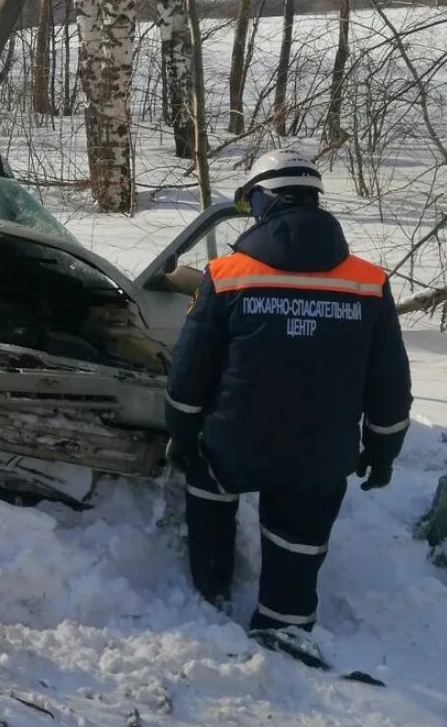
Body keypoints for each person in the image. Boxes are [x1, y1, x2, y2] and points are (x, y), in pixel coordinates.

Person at [165, 149, 412, 633]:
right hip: (321, 451)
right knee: (300, 533)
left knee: (208, 484)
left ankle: (211, 588)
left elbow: (190, 371)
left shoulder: (226, 275)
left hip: (234, 442)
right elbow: (390, 384)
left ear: (263, 200)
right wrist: (383, 451)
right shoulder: (368, 283)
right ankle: (284, 625)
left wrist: (182, 431)